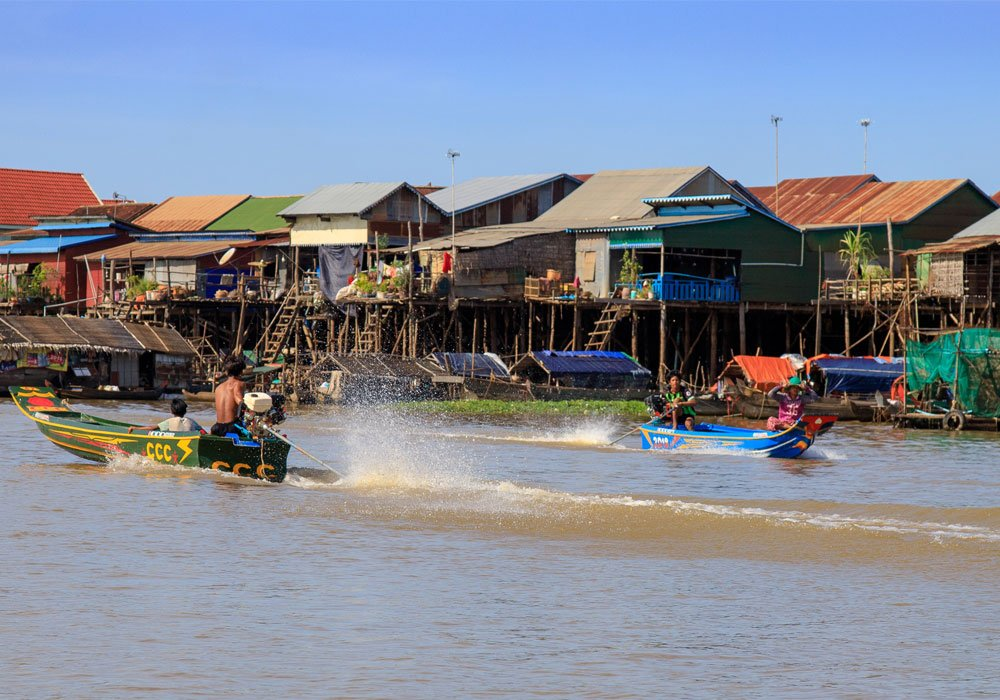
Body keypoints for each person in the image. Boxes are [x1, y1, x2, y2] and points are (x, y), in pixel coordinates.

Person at [211, 355, 247, 436]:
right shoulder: (239, 384)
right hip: (232, 428)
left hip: (217, 427)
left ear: (227, 371)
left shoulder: (218, 388)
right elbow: (240, 401)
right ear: (241, 372)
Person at [128, 398, 203, 433]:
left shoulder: (169, 421)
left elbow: (151, 428)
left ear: (171, 411)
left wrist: (135, 428)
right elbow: (203, 432)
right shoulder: (192, 421)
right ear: (185, 411)